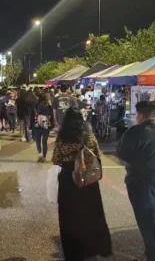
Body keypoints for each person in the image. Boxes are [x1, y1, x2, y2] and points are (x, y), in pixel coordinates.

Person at [116, 101, 155, 261]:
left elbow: (122, 153)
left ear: (141, 116)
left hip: (141, 181)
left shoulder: (135, 131)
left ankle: (154, 256)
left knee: (147, 221)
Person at [52, 108, 112, 260]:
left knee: (69, 215)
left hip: (68, 178)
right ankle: (94, 247)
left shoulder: (62, 138)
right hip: (87, 178)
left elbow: (56, 159)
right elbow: (97, 155)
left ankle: (74, 251)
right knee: (91, 213)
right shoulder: (88, 136)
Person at [32, 92, 54, 162]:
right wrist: (52, 125)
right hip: (46, 126)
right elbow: (52, 116)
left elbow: (32, 116)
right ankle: (44, 157)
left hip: (37, 125)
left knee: (38, 141)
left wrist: (31, 126)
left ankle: (40, 154)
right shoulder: (49, 106)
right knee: (44, 142)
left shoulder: (36, 105)